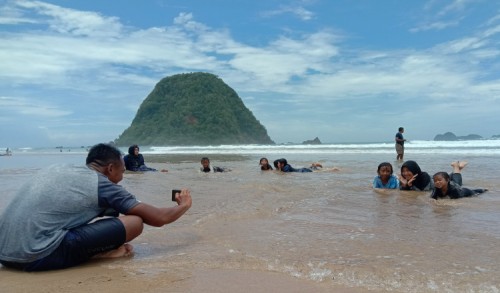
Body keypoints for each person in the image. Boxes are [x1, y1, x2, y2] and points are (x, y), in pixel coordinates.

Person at [0, 143, 192, 271]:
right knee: (135, 222)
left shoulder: (61, 169)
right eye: (122, 172)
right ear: (110, 168)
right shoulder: (102, 184)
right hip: (34, 256)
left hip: (5, 254)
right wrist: (184, 205)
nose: (122, 178)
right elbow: (157, 218)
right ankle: (99, 256)